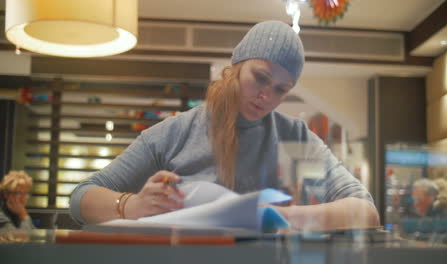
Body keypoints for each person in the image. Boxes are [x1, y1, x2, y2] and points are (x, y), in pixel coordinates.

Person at [70, 20, 380, 230]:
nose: (266, 96)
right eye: (261, 78)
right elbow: (81, 198)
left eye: (281, 90)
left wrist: (278, 216)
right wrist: (131, 206)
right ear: (235, 68)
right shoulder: (175, 133)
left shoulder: (295, 137)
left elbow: (366, 212)